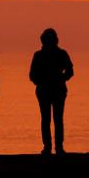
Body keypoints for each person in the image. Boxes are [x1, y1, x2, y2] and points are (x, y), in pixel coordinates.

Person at [29, 28, 74, 156]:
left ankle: (51, 147)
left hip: (51, 89)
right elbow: (32, 75)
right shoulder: (57, 54)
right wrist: (60, 79)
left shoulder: (42, 55)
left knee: (49, 118)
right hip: (51, 89)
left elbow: (32, 75)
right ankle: (54, 147)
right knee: (54, 118)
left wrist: (59, 79)